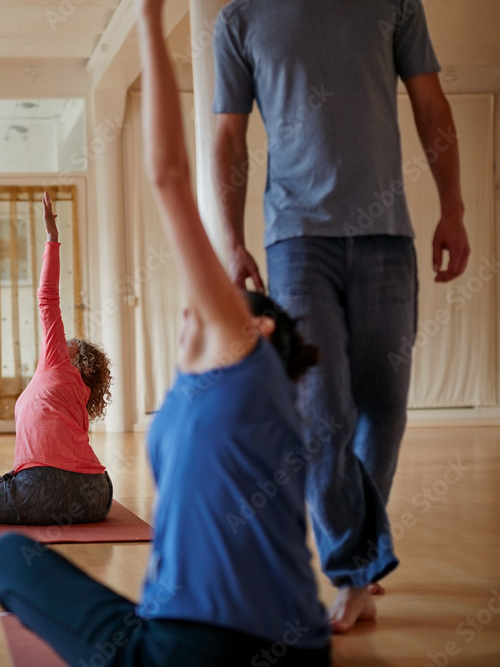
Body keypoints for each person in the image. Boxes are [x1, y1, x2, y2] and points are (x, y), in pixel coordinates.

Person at [0, 2, 331, 664]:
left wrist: (146, 19)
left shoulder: (249, 362)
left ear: (255, 327)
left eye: (216, 307)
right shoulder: (236, 399)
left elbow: (170, 177)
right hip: (299, 647)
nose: (191, 309)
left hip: (189, 648)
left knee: (9, 558)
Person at [211, 0, 470, 630]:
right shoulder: (241, 19)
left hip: (387, 234)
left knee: (384, 405)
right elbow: (228, 134)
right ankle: (353, 566)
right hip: (297, 242)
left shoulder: (396, 5)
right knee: (320, 411)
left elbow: (431, 104)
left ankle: (359, 547)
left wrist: (453, 208)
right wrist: (231, 239)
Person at [0, 192, 113, 525]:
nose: (62, 340)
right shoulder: (78, 394)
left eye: (68, 342)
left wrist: (52, 240)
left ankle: (18, 489)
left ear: (73, 357)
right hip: (97, 497)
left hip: (39, 495)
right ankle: (20, 485)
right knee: (10, 479)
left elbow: (47, 298)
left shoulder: (58, 364)